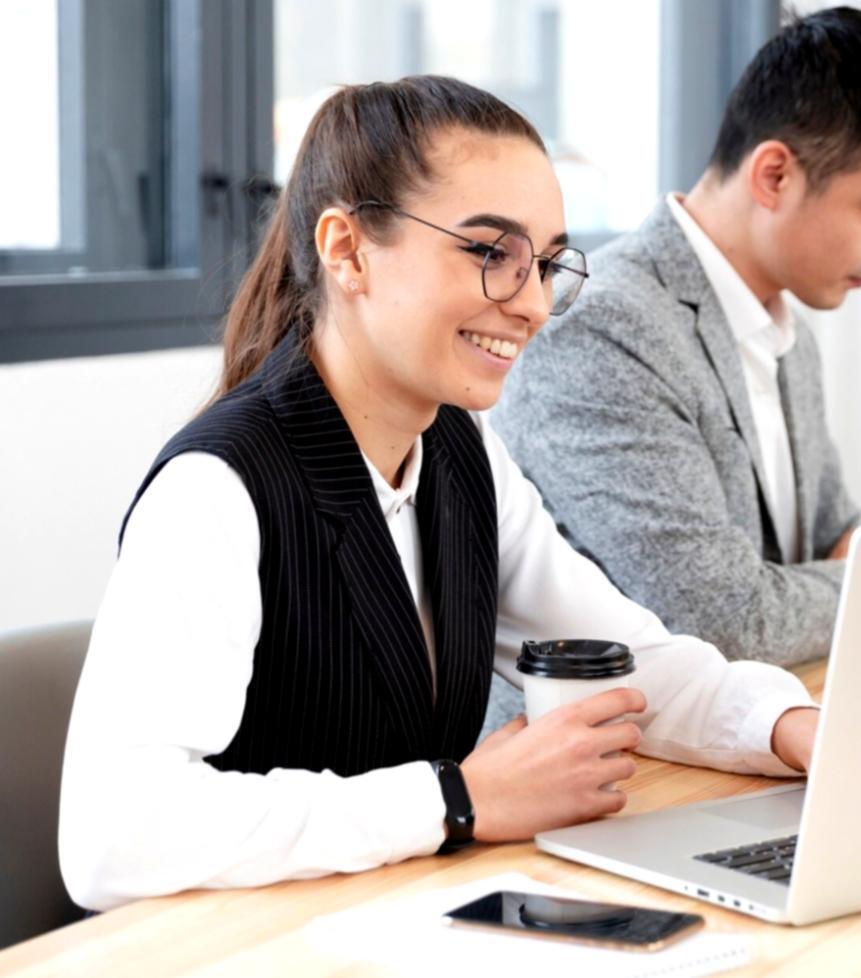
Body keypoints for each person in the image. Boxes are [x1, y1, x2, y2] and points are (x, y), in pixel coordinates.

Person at [58, 76, 819, 913]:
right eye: (491, 253)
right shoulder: (216, 489)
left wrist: (793, 730)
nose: (531, 305)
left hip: (391, 920)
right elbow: (111, 837)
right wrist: (455, 799)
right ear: (347, 250)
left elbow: (629, 660)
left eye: (547, 264)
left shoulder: (461, 453)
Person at [493, 7, 861, 665]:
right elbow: (724, 621)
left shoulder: (786, 332)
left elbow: (837, 539)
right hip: (626, 756)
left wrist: (858, 570)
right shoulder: (605, 330)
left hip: (762, 728)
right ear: (774, 175)